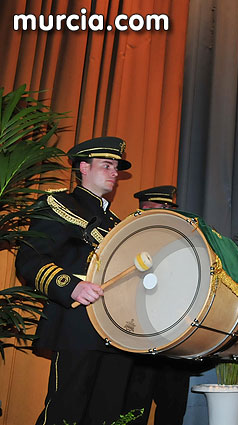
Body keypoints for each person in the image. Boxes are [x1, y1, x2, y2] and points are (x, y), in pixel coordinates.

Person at [15, 136, 135, 425]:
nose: (114, 172)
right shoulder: (58, 204)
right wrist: (72, 286)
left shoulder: (119, 225)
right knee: (65, 410)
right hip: (78, 324)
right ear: (83, 167)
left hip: (119, 331)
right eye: (106, 165)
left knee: (107, 414)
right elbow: (29, 260)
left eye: (116, 167)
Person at [124, 185, 192, 425]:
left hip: (174, 340)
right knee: (133, 408)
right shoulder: (128, 240)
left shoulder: (182, 243)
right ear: (144, 208)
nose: (166, 211)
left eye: (168, 207)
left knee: (173, 408)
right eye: (160, 207)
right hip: (140, 339)